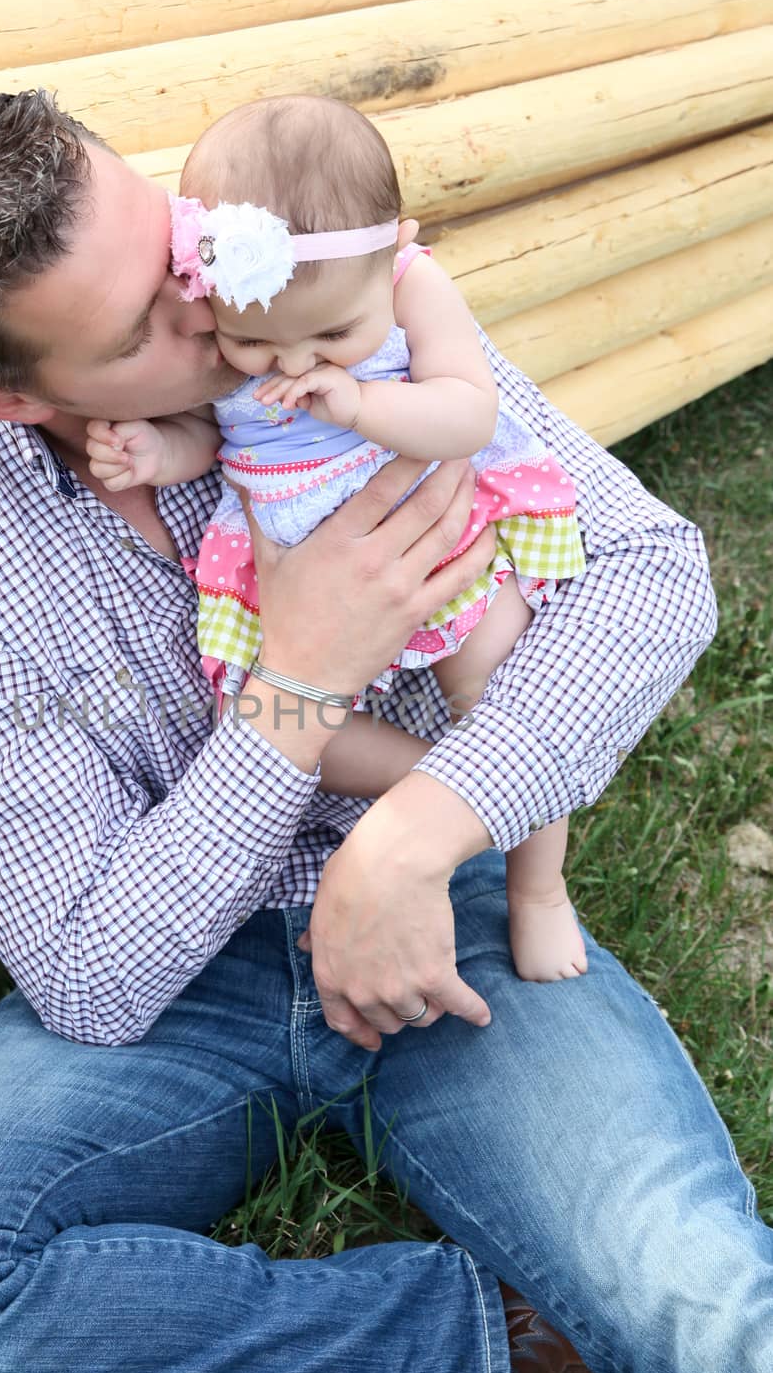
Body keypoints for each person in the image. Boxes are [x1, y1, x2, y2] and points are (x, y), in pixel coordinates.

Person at [0, 90, 773, 1373]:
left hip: (452, 918)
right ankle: (516, 1352)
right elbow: (87, 974)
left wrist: (415, 835)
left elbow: (644, 576)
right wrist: (295, 689)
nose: (216, 316)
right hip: (185, 967)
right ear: (11, 395)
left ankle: (636, 1320)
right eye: (139, 330)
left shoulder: (322, 302)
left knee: (701, 1298)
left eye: (182, 253)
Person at [85, 94, 590, 983]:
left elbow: (468, 412)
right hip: (282, 569)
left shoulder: (409, 286)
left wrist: (362, 402)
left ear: (396, 244)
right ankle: (446, 789)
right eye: (252, 343)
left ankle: (536, 890)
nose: (290, 363)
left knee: (502, 690)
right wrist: (158, 450)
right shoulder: (238, 331)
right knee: (273, 722)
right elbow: (221, 440)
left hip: (433, 540)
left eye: (331, 336)